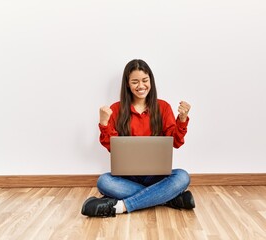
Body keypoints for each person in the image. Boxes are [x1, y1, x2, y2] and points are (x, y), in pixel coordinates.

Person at [81, 59, 195, 218]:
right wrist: (104, 123)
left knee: (182, 176)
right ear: (127, 84)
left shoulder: (163, 107)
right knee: (104, 181)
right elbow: (111, 147)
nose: (141, 86)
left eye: (144, 80)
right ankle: (168, 198)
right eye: (135, 82)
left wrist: (182, 119)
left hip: (156, 176)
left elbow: (175, 142)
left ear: (151, 81)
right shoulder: (116, 109)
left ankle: (121, 207)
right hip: (127, 177)